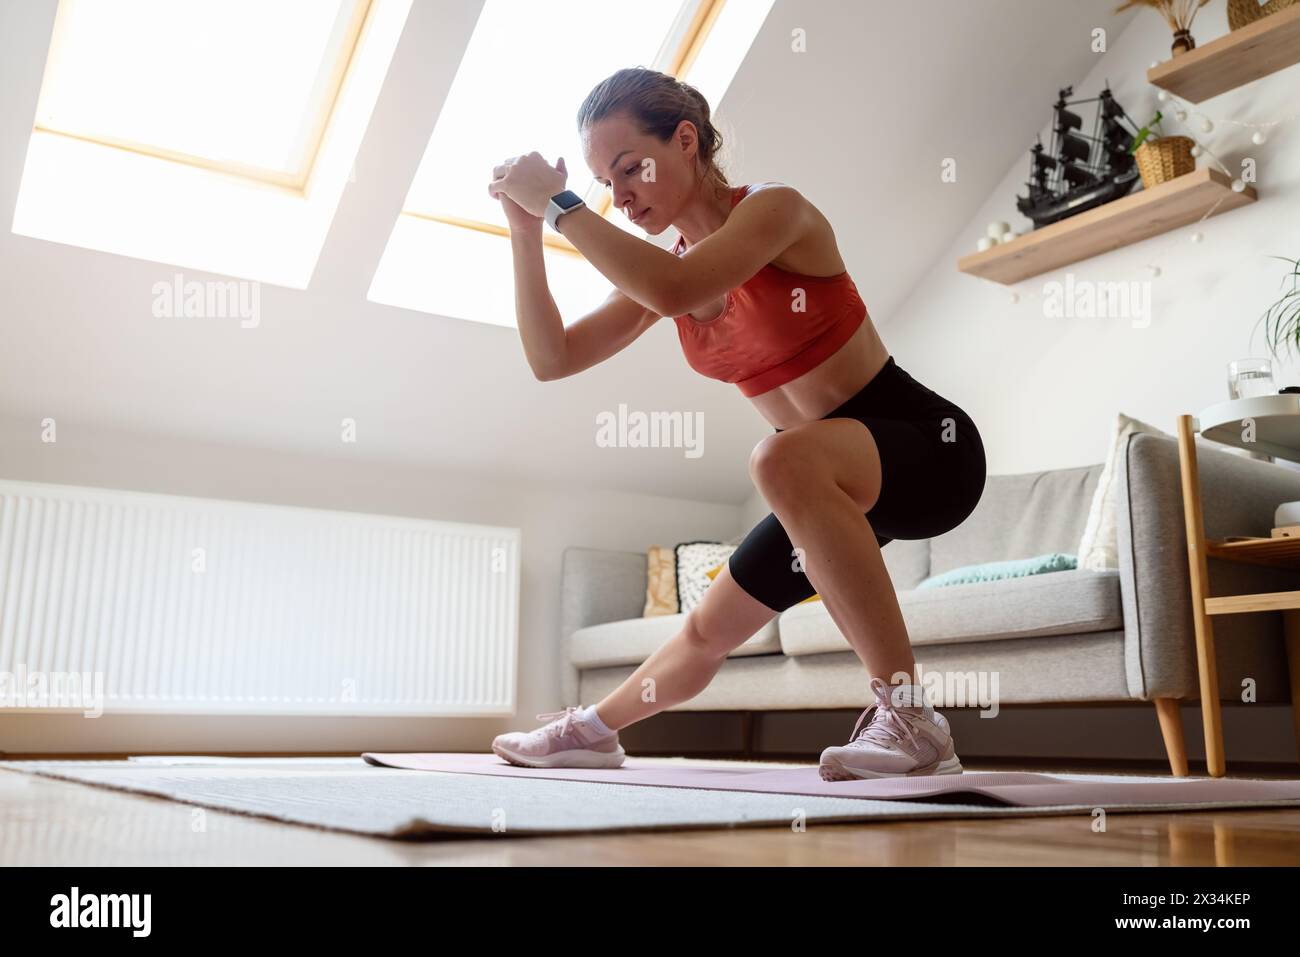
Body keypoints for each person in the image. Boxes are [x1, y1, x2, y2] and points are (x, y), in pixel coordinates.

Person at [486, 67, 985, 780]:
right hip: (822, 479)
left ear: (685, 140)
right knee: (707, 627)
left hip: (928, 448)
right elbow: (552, 357)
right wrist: (526, 228)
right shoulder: (661, 271)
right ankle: (592, 731)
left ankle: (910, 719)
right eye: (605, 181)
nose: (620, 195)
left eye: (631, 168)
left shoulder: (776, 213)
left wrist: (561, 202)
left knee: (778, 461)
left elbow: (679, 288)